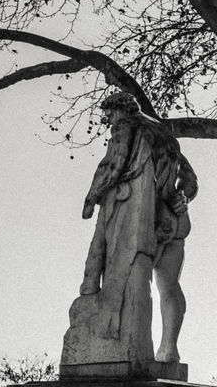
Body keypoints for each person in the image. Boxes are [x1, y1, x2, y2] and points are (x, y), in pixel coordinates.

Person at [66, 89, 198, 367]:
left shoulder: (127, 126)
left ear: (121, 110)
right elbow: (189, 177)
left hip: (140, 217)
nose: (109, 122)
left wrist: (92, 197)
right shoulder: (164, 133)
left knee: (136, 282)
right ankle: (169, 349)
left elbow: (114, 164)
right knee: (169, 284)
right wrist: (182, 197)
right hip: (172, 219)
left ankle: (137, 351)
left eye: (109, 115)